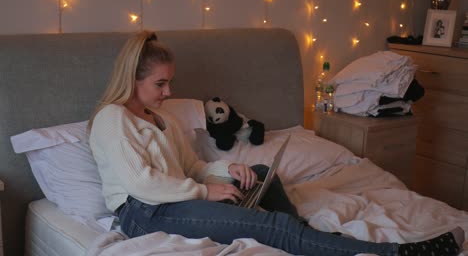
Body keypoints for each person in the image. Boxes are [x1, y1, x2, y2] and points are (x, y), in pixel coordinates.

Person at [88, 30, 464, 256]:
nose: (169, 92)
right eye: (160, 84)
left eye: (169, 82)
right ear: (133, 80)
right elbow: (142, 184)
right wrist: (205, 192)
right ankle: (396, 252)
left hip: (177, 196)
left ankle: (305, 236)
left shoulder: (163, 118)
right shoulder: (113, 119)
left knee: (261, 172)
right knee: (270, 228)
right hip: (144, 211)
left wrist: (227, 170)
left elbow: (192, 167)